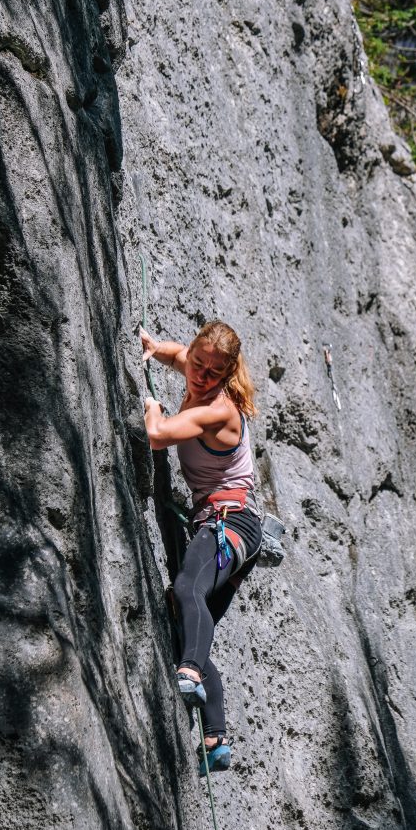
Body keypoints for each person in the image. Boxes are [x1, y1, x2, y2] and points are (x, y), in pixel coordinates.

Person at [141, 320, 262, 774]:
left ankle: (189, 672)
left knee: (188, 586)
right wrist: (153, 346)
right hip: (226, 529)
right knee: (190, 617)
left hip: (230, 524)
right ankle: (216, 739)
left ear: (227, 375)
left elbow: (158, 434)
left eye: (213, 372)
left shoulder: (219, 410)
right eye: (198, 363)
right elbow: (175, 355)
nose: (200, 376)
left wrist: (153, 407)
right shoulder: (192, 367)